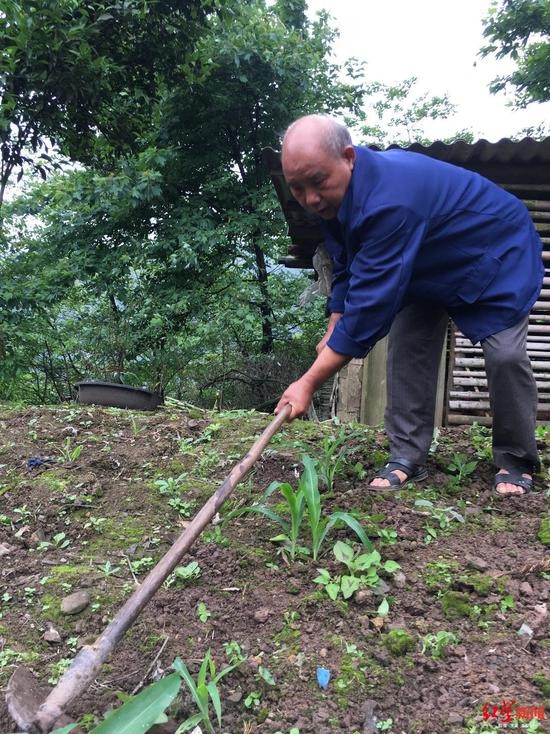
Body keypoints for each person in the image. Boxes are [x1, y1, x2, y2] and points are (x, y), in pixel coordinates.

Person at [274, 114, 543, 496]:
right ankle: (407, 456)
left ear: (348, 157)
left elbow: (368, 312)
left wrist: (307, 382)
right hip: (422, 261)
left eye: (317, 182)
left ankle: (516, 460)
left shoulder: (391, 201)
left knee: (505, 356)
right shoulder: (333, 201)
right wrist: (336, 318)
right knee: (407, 348)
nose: (311, 199)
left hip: (494, 249)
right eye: (297, 188)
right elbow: (346, 262)